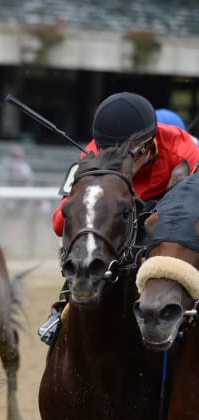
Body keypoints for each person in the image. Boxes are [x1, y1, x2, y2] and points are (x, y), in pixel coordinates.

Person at [38, 91, 199, 345]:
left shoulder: (183, 150)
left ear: (149, 144)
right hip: (118, 220)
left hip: (163, 211)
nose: (121, 164)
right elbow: (60, 222)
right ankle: (63, 308)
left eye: (130, 154)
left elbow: (183, 215)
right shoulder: (91, 154)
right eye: (110, 153)